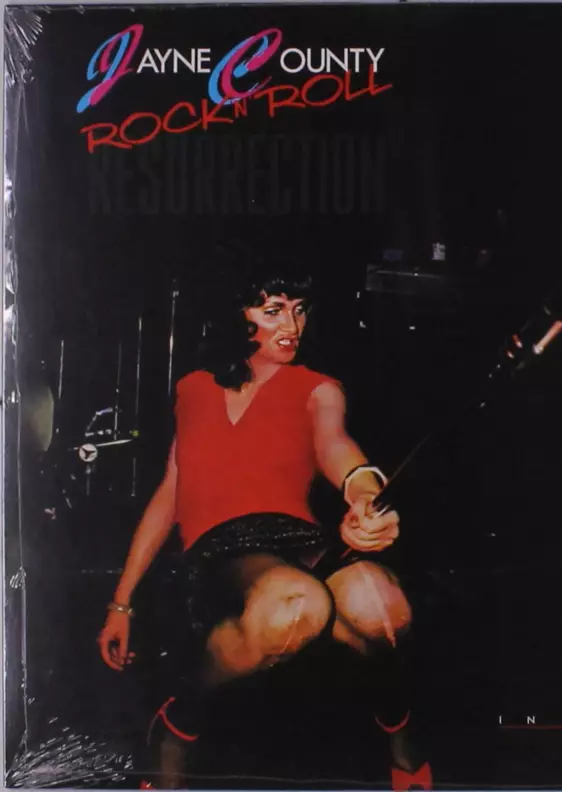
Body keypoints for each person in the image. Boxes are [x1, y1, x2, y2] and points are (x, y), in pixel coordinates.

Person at [97, 262, 432, 790]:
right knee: (294, 607)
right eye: (273, 310)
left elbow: (336, 446)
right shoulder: (194, 389)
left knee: (381, 605)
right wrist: (121, 603)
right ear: (238, 315)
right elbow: (169, 494)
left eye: (299, 310)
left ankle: (398, 726)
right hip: (222, 549)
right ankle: (177, 722)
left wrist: (365, 494)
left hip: (298, 540)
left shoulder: (318, 387)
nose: (292, 326)